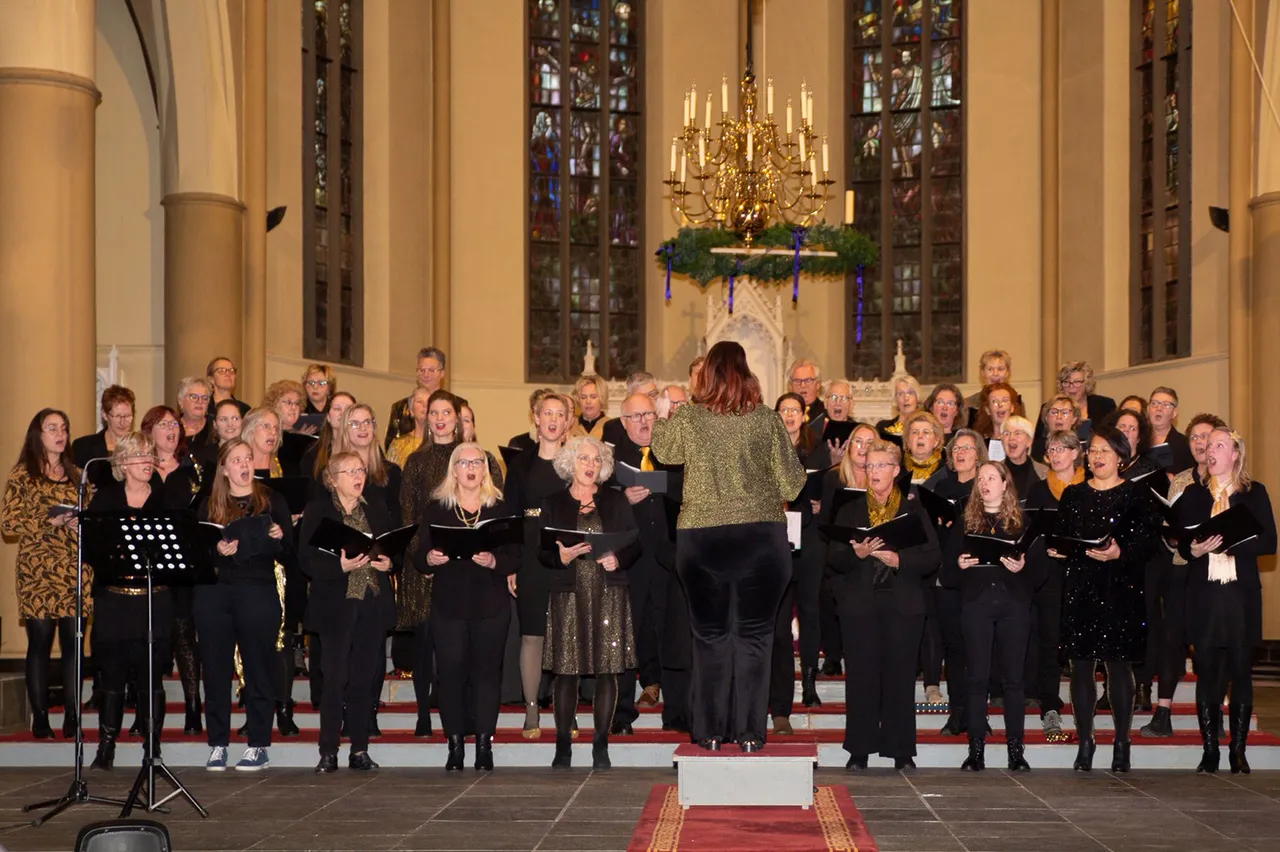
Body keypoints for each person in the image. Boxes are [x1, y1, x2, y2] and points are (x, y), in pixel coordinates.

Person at [650, 341, 806, 752]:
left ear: (707, 375)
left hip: (702, 539)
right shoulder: (767, 420)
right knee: (755, 637)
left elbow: (663, 452)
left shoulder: (690, 417)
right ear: (746, 371)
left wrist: (665, 414)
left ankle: (710, 732)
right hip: (760, 539)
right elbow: (792, 483)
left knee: (710, 637)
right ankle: (752, 733)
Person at [1049, 424, 1160, 773]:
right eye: (1092, 450)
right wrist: (1060, 550)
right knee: (1081, 667)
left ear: (1120, 458)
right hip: (1082, 586)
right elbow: (1064, 537)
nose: (1096, 457)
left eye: (1104, 451)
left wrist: (1119, 554)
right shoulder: (1073, 495)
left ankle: (1122, 741)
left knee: (1117, 666)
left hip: (1121, 587)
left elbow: (1148, 544)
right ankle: (1085, 741)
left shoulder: (1137, 495)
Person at [828, 440, 940, 770]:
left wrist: (899, 558)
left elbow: (933, 556)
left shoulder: (913, 510)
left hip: (902, 606)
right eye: (868, 466)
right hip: (860, 606)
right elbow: (832, 559)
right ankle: (859, 750)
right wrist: (855, 554)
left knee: (900, 679)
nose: (873, 472)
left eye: (880, 466)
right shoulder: (849, 510)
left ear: (895, 471)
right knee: (861, 679)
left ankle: (901, 750)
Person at [399, 390, 503, 738]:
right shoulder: (416, 461)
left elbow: (498, 515)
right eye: (434, 412)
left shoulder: (480, 457)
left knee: (472, 655)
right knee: (436, 648)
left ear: (459, 418)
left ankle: (472, 721)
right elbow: (410, 517)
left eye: (448, 412)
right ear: (425, 418)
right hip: (429, 564)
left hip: (475, 574)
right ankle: (427, 716)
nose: (441, 418)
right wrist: (426, 558)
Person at [1176, 427, 1276, 773]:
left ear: (1235, 454)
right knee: (1207, 673)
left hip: (1239, 594)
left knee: (1240, 673)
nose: (1210, 448)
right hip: (1205, 594)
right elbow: (1184, 544)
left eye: (1220, 444)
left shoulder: (1253, 493)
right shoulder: (1193, 495)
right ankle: (1209, 750)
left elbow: (1269, 543)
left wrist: (1228, 542)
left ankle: (1238, 750)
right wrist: (1194, 548)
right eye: (1208, 444)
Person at [539, 435, 640, 769]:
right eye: (584, 459)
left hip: (608, 591)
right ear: (571, 463)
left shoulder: (616, 501)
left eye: (596, 460)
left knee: (608, 671)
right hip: (570, 593)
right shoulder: (552, 502)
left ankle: (601, 743)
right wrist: (561, 556)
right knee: (567, 672)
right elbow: (541, 550)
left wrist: (618, 558)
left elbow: (634, 544)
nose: (590, 465)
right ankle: (563, 744)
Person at [417, 443, 518, 771]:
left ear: (486, 469)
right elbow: (418, 556)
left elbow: (517, 555)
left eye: (478, 462)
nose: (471, 468)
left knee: (488, 675)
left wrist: (495, 561)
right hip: (449, 604)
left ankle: (485, 744)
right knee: (450, 675)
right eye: (465, 462)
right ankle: (455, 744)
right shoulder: (437, 509)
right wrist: (430, 559)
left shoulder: (500, 507)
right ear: (454, 469)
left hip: (491, 604)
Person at [194, 438, 292, 771]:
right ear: (223, 468)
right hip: (215, 593)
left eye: (247, 458)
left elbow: (290, 551)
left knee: (258, 668)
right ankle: (218, 743)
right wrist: (215, 552)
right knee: (217, 669)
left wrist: (279, 538)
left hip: (258, 590)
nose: (244, 465)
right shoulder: (208, 505)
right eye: (236, 460)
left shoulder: (271, 499)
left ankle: (259, 744)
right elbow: (196, 551)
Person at [299, 451, 397, 773]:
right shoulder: (319, 511)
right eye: (350, 471)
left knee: (363, 679)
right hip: (335, 605)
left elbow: (389, 550)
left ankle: (359, 749)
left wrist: (387, 563)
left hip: (370, 602)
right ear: (333, 478)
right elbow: (306, 560)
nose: (358, 476)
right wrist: (338, 565)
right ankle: (328, 750)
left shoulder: (377, 509)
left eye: (361, 470)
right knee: (335, 678)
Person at [943, 461, 1043, 772]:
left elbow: (1042, 573)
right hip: (976, 604)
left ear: (1005, 483)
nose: (984, 483)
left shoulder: (1024, 522)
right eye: (980, 479)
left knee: (1014, 680)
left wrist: (1022, 567)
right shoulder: (964, 523)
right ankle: (976, 751)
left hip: (1013, 604)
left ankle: (1016, 751)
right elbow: (946, 575)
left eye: (991, 477)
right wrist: (959, 564)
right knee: (977, 679)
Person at [85, 432, 174, 769]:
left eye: (150, 455)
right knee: (113, 675)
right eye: (139, 455)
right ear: (121, 463)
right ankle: (106, 747)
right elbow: (92, 549)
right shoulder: (106, 499)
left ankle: (153, 748)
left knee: (152, 677)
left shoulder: (166, 499)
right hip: (115, 602)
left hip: (155, 600)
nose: (147, 461)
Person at [1139, 413, 1228, 738]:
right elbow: (1169, 525)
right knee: (1172, 638)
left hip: (1215, 573)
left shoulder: (1228, 483)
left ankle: (1215, 711)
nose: (1200, 444)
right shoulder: (1180, 481)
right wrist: (1171, 534)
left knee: (1209, 643)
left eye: (1206, 437)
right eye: (1194, 438)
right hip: (1180, 568)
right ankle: (1163, 712)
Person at [2, 409, 85, 739]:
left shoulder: (78, 475)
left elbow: (92, 516)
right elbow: (8, 524)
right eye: (52, 428)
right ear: (38, 434)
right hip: (38, 571)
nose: (60, 434)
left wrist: (81, 523)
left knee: (72, 644)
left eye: (63, 428)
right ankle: (40, 717)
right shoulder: (23, 475)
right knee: (40, 642)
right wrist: (47, 523)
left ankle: (73, 714)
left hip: (73, 569)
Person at [608, 393, 680, 734]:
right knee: (627, 637)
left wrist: (657, 484)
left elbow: (686, 488)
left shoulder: (671, 453)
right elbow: (600, 506)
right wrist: (623, 497)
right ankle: (622, 714)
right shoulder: (612, 461)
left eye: (649, 414)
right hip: (629, 562)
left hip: (669, 560)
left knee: (673, 635)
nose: (643, 421)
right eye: (635, 416)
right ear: (623, 422)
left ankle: (677, 713)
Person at [503, 392, 571, 737]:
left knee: (564, 635)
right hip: (529, 555)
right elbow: (510, 517)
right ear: (536, 417)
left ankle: (566, 710)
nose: (553, 419)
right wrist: (512, 564)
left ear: (567, 422)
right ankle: (532, 712)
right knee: (532, 635)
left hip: (565, 555)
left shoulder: (575, 463)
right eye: (548, 413)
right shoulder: (520, 464)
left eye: (560, 414)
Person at [770, 393, 832, 733]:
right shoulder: (767, 445)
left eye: (795, 410)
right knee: (779, 616)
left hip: (809, 538)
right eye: (784, 410)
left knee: (809, 609)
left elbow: (822, 489)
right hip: (776, 537)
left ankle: (809, 683)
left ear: (804, 414)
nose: (790, 415)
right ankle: (777, 688)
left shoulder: (817, 447)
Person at [140, 405, 204, 734]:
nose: (171, 429)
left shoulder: (192, 471)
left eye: (174, 425)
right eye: (163, 424)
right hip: (147, 565)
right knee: (151, 636)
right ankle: (147, 712)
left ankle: (194, 709)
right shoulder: (140, 468)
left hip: (183, 563)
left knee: (183, 634)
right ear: (149, 430)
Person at [924, 429, 988, 737]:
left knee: (979, 648)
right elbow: (928, 537)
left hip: (979, 576)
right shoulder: (941, 488)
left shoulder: (986, 486)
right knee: (953, 648)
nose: (961, 453)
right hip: (948, 574)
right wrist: (940, 526)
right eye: (956, 449)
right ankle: (957, 712)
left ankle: (978, 714)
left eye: (967, 448)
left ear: (979, 454)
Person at [1023, 429, 1084, 742]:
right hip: (1048, 573)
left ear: (1076, 453)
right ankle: (1049, 704)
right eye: (1052, 448)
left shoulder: (1088, 487)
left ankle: (1086, 706)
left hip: (1083, 574)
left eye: (1064, 448)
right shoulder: (1037, 490)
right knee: (1048, 639)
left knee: (1081, 643)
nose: (1057, 454)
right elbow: (1029, 532)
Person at [816, 423, 880, 677]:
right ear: (850, 446)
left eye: (869, 443)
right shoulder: (834, 477)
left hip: (875, 550)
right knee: (830, 591)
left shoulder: (883, 477)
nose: (863, 448)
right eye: (858, 442)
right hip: (840, 548)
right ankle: (833, 655)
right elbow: (825, 522)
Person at [1032, 360, 1116, 453]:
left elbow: (1113, 440)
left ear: (1087, 383)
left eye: (1077, 382)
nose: (1071, 386)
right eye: (1066, 382)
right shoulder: (1049, 407)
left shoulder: (1104, 405)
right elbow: (1037, 447)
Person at [72, 385, 136, 488]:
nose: (123, 422)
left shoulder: (141, 447)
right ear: (105, 415)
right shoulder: (84, 446)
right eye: (118, 416)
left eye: (128, 416)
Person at [386, 347, 447, 449]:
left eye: (431, 370)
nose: (426, 375)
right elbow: (391, 447)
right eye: (422, 370)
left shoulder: (457, 405)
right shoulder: (400, 407)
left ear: (442, 373)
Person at [303, 392, 356, 484]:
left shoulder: (366, 447)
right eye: (337, 409)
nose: (342, 413)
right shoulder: (313, 453)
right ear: (328, 417)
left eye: (348, 409)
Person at [1146, 387, 1194, 472]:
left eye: (1166, 405)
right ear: (1148, 409)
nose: (1159, 408)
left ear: (1174, 413)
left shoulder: (1184, 445)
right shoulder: (1138, 440)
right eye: (1154, 403)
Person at [999, 416, 1046, 498]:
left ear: (1029, 441)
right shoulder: (994, 471)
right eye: (1007, 433)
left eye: (1017, 433)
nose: (1011, 438)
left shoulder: (1044, 473)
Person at [972, 382, 1020, 456]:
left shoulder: (1022, 440)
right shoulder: (979, 442)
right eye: (994, 401)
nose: (1000, 405)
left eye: (1005, 401)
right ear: (987, 410)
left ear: (1012, 407)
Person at [1031, 394, 1080, 463]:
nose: (1059, 416)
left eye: (1065, 412)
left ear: (1074, 419)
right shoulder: (1038, 447)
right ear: (1046, 418)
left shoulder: (1080, 446)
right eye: (1054, 412)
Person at [816, 379, 855, 463]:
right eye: (833, 397)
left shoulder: (857, 432)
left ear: (851, 405)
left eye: (843, 398)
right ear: (825, 403)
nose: (838, 402)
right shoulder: (812, 431)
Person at [902, 411, 947, 484]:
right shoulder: (896, 469)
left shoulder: (947, 470)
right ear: (908, 442)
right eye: (915, 432)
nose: (920, 436)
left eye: (926, 432)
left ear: (936, 441)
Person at [875, 376, 922, 445]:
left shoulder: (927, 427)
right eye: (900, 394)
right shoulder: (883, 429)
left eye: (911, 393)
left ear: (917, 397)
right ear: (895, 399)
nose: (906, 398)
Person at [176, 376, 215, 452]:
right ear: (180, 401)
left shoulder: (215, 426)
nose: (200, 401)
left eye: (204, 398)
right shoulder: (171, 427)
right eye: (194, 397)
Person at [571, 374, 611, 440]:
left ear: (602, 398)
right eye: (583, 397)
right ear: (578, 400)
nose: (588, 401)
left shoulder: (611, 426)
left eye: (593, 397)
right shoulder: (570, 426)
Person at [787, 358, 825, 426]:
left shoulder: (827, 415)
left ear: (818, 385)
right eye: (797, 381)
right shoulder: (780, 416)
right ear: (790, 386)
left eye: (808, 380)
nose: (803, 385)